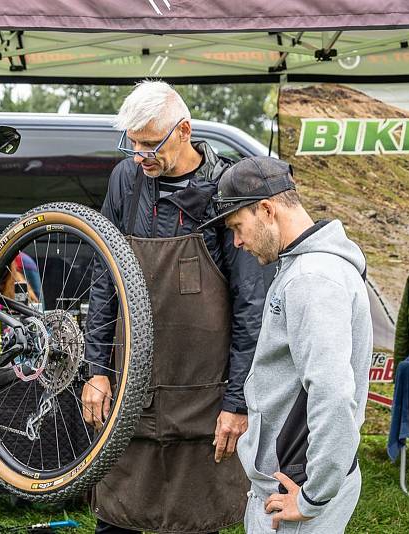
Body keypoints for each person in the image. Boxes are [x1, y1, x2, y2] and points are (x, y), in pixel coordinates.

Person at [81, 81, 268, 533]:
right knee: (117, 513)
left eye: (150, 144)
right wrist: (97, 369)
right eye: (133, 143)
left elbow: (251, 304)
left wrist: (237, 401)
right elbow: (105, 277)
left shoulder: (225, 188)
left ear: (183, 130)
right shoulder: (126, 180)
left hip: (201, 393)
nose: (140, 154)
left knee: (194, 518)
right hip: (131, 386)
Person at [199, 156, 372, 534]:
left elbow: (332, 392)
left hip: (295, 486)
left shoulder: (311, 280)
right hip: (291, 478)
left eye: (237, 227)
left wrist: (314, 496)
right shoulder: (307, 268)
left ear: (266, 209)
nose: (237, 241)